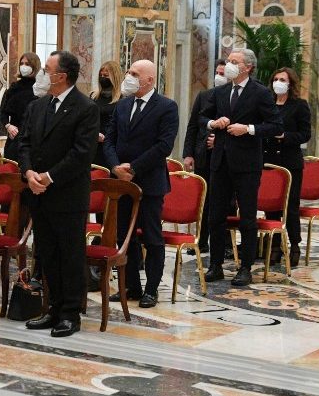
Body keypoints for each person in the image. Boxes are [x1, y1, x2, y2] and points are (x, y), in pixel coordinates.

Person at [17, 51, 99, 337]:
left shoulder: (85, 108)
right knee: (47, 254)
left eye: (47, 69)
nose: (42, 74)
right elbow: (24, 144)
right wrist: (28, 174)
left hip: (67, 194)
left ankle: (70, 313)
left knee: (70, 255)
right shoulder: (38, 106)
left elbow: (81, 154)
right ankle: (52, 307)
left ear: (61, 76)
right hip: (38, 192)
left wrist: (49, 177)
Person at [202, 48, 283, 287]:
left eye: (234, 61)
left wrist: (247, 129)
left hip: (247, 164)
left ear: (247, 67)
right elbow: (201, 117)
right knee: (215, 216)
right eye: (228, 61)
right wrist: (212, 123)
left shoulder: (260, 93)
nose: (229, 65)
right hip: (220, 162)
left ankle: (245, 267)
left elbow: (275, 125)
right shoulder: (220, 91)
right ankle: (215, 264)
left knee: (247, 217)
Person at [102, 60, 179, 308]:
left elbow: (163, 146)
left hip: (149, 182)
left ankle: (151, 289)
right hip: (121, 182)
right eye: (128, 72)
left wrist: (133, 168)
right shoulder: (122, 105)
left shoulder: (167, 107)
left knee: (152, 237)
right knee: (124, 235)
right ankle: (131, 285)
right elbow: (109, 140)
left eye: (134, 74)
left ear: (149, 80)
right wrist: (115, 167)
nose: (129, 76)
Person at [262, 67, 311, 267]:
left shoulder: (299, 106)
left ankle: (295, 245)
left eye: (282, 79)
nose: (278, 82)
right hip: (269, 162)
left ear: (291, 83)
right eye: (276, 79)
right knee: (271, 206)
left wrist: (285, 136)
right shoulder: (267, 105)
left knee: (290, 206)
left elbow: (305, 134)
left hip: (290, 163)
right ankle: (274, 246)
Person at [182, 59, 227, 254]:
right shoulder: (204, 96)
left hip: (225, 159)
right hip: (203, 156)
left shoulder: (233, 99)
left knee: (223, 201)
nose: (219, 76)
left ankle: (224, 243)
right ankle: (201, 240)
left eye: (223, 73)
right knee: (204, 200)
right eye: (217, 72)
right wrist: (188, 154)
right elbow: (193, 126)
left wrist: (219, 143)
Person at [1, 52, 40, 162]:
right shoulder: (14, 88)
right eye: (21, 63)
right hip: (14, 136)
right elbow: (2, 112)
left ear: (34, 66)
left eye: (27, 64)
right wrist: (8, 126)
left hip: (33, 139)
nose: (23, 66)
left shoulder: (40, 88)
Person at [91, 60, 123, 167]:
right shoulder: (93, 96)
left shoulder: (122, 99)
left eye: (106, 75)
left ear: (114, 77)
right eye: (101, 75)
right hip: (92, 145)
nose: (102, 78)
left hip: (110, 147)